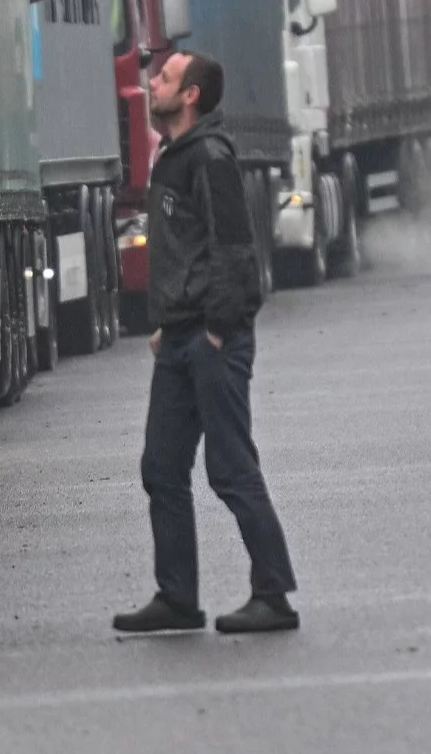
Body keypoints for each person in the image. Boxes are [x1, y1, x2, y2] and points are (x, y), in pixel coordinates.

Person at [113, 49, 300, 635]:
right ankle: (177, 597)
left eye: (165, 77)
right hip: (180, 338)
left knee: (230, 469)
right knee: (161, 468)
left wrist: (217, 326)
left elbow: (233, 248)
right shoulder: (176, 158)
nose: (153, 82)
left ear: (190, 95)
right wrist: (171, 320)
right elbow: (189, 250)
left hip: (212, 341)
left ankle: (273, 596)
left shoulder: (211, 158)